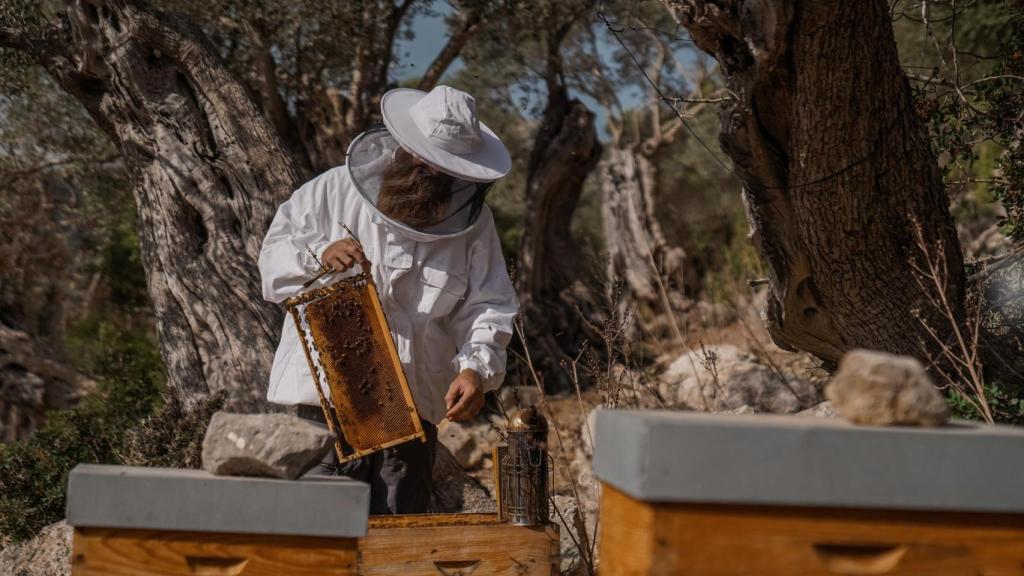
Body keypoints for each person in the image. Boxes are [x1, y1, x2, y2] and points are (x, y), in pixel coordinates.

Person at [258, 85, 518, 515]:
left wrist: (476, 369)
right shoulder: (331, 191)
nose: (427, 173)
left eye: (442, 169)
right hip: (323, 408)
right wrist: (318, 256)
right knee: (318, 535)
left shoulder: (473, 225)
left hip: (412, 417)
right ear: (404, 147)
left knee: (396, 543)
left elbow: (488, 304)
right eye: (422, 159)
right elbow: (272, 265)